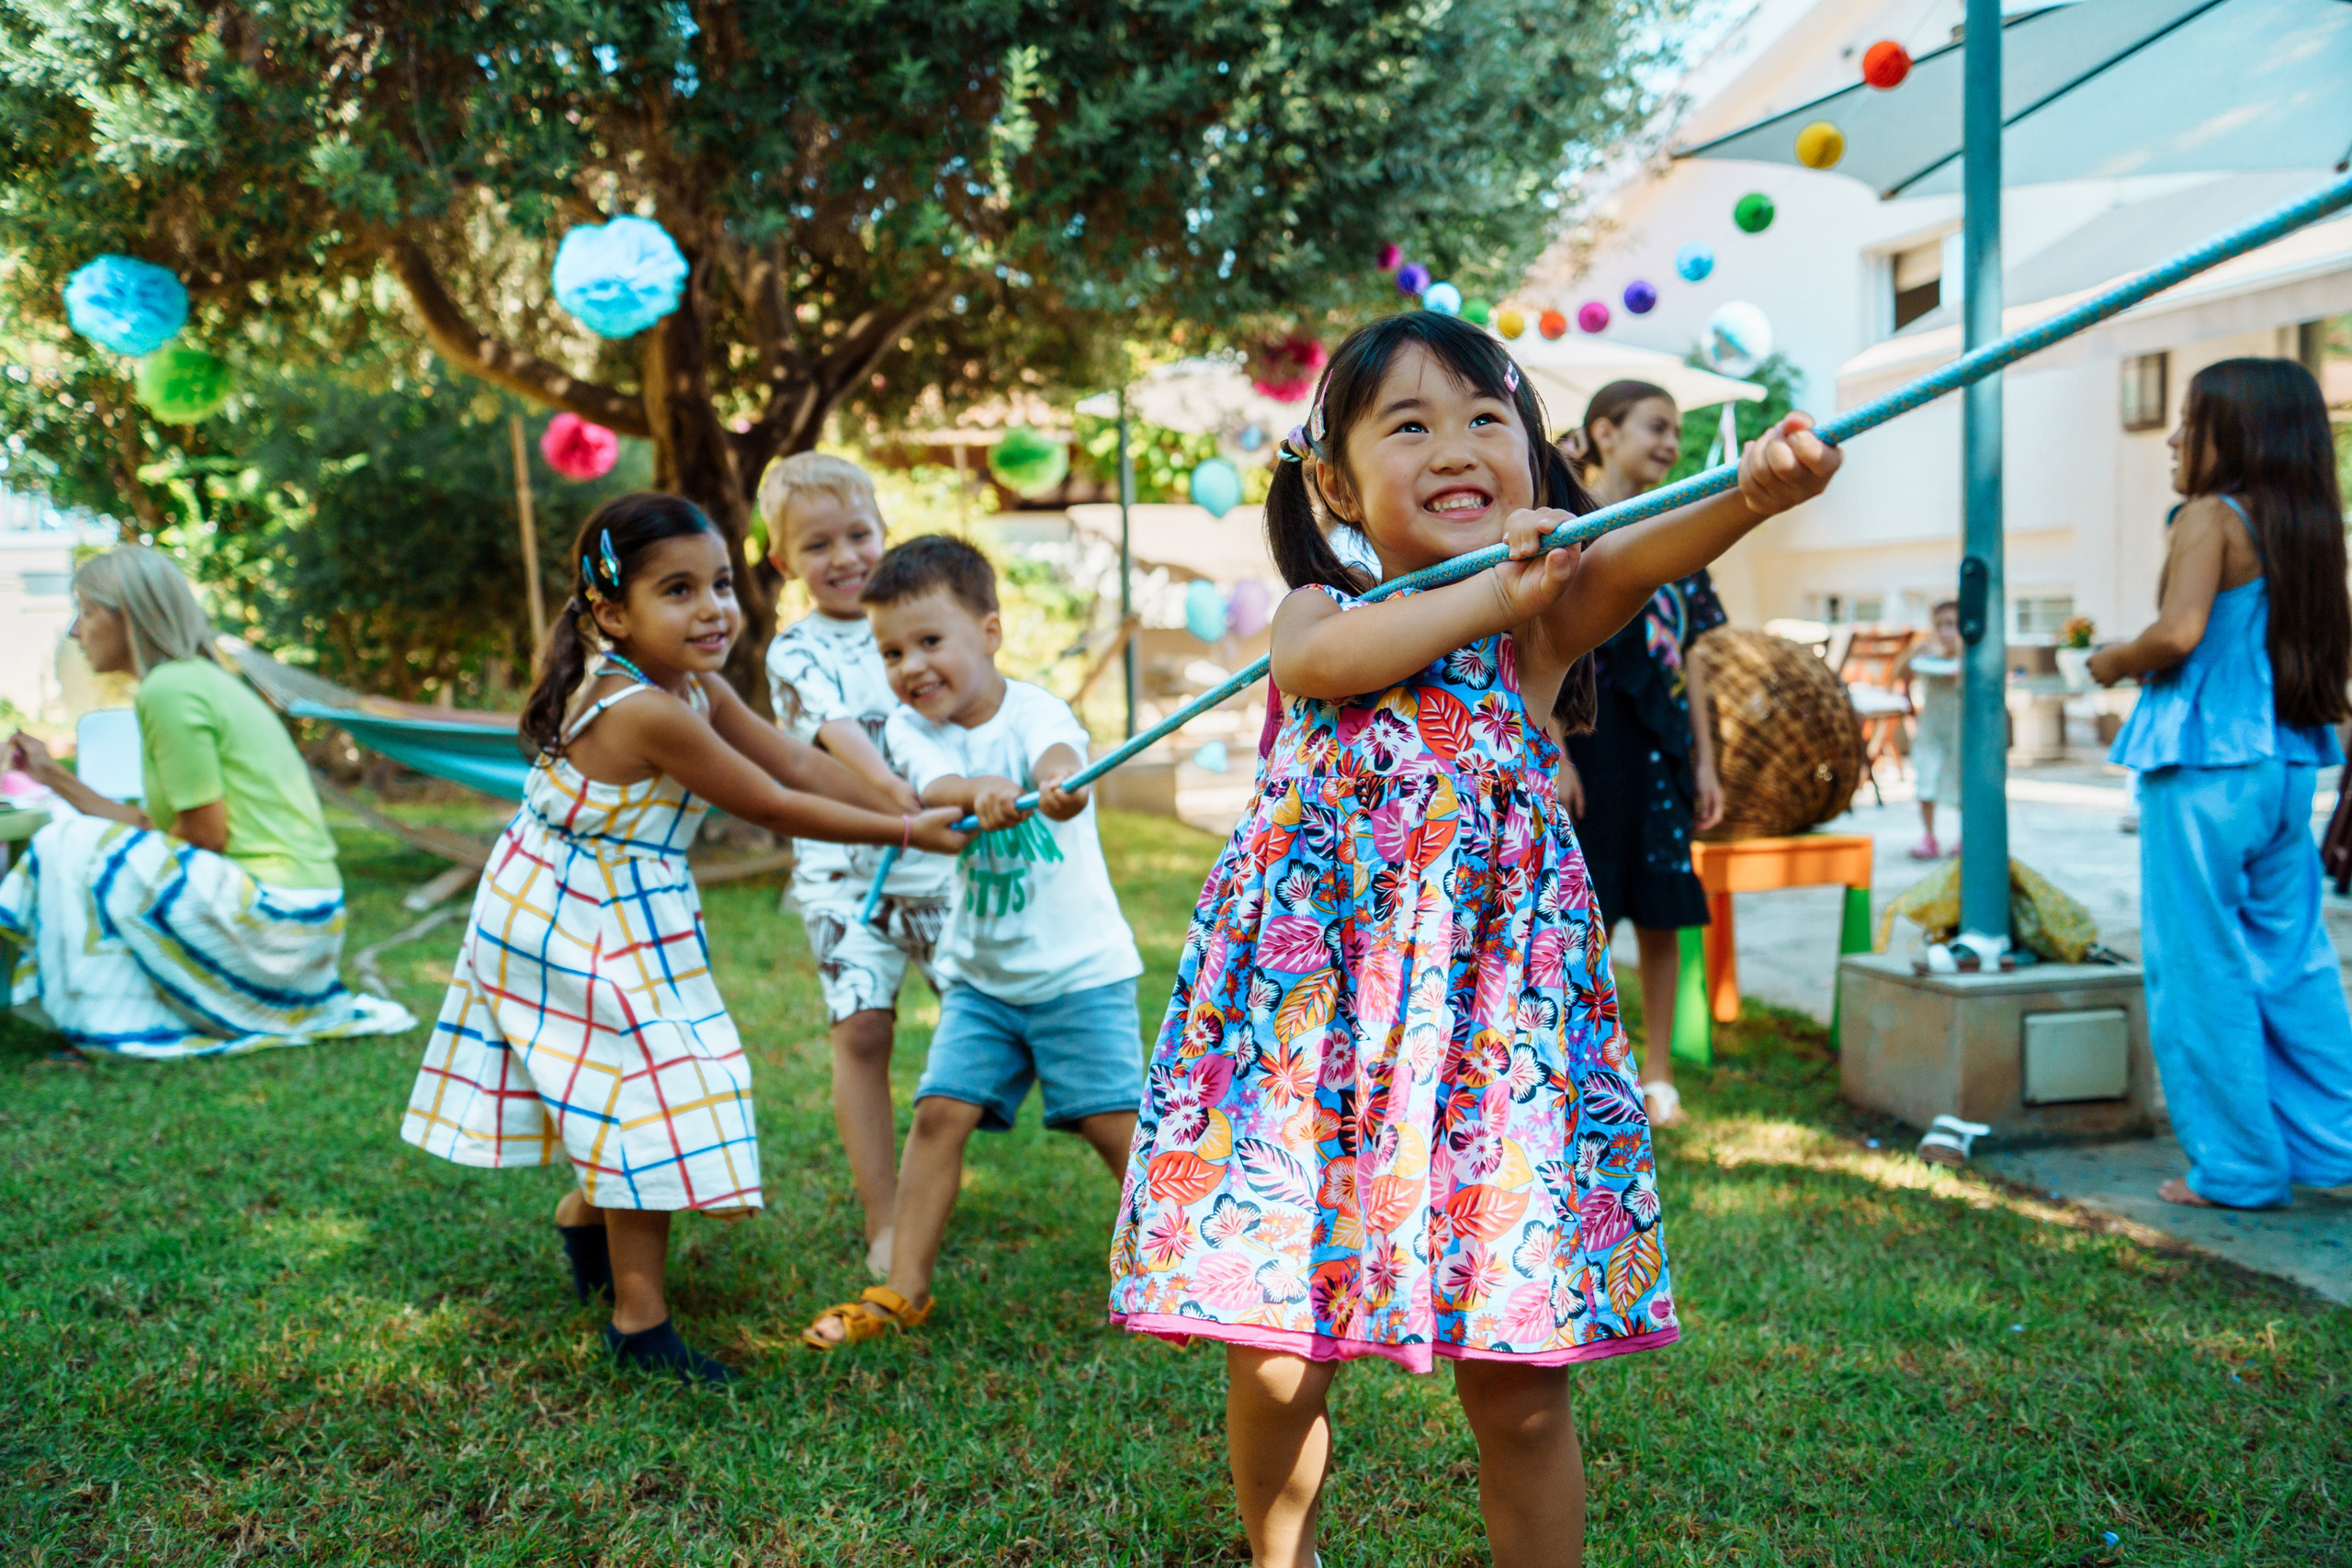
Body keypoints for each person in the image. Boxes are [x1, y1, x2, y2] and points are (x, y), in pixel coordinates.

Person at [1105, 311, 1840, 1568]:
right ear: (1333, 481)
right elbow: (1331, 658)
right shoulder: (1316, 611)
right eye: (1410, 423)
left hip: (1491, 1061)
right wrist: (1497, 586)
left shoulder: (1539, 626)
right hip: (1307, 1048)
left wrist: (1757, 496)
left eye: (1487, 418)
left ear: (1537, 456)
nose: (1456, 445)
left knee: (1522, 1381)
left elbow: (1652, 550)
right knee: (1280, 1359)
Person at [401, 494, 969, 1382]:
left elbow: (789, 758)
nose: (712, 608)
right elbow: (771, 803)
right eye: (679, 590)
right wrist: (905, 834)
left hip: (610, 899)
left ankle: (586, 1221)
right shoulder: (640, 707)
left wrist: (899, 798)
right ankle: (640, 1325)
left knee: (626, 1082)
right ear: (613, 612)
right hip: (568, 912)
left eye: (720, 584)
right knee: (654, 1090)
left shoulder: (691, 685)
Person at [800, 535, 1145, 1348]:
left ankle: (1187, 1265)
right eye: (891, 651)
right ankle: (902, 1288)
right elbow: (934, 785)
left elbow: (1059, 754)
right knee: (938, 1114)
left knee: (1113, 1123)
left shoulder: (1035, 712)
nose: (911, 665)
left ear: (989, 632)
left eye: (929, 641)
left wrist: (1057, 787)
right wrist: (980, 790)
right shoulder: (917, 731)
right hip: (982, 983)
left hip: (1079, 977)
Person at [2089, 357, 2352, 1212]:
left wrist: (2112, 660)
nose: (2171, 439)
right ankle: (2336, 1148)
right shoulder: (2305, 525)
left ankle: (2237, 1167)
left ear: (2236, 436)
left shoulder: (2209, 515)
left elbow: (2178, 633)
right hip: (2283, 767)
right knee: (2294, 961)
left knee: (2196, 964)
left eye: (2189, 423)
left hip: (2204, 769)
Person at [1, 547, 413, 1059]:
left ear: (129, 617)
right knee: (85, 841)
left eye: (85, 611)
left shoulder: (170, 691)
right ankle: (125, 1012)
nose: (73, 631)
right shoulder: (198, 681)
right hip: (309, 920)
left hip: (279, 922)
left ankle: (110, 1026)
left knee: (66, 842)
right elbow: (157, 828)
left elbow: (203, 838)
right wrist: (50, 775)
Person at [761, 452, 955, 1280]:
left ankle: (942, 1165)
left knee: (985, 1023)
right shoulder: (794, 651)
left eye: (857, 534)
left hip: (945, 867)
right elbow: (838, 735)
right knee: (863, 1028)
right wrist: (897, 805)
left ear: (884, 533)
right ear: (783, 562)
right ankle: (885, 1219)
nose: (842, 557)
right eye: (816, 545)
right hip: (845, 875)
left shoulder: (916, 624)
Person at [1553, 381, 1724, 1129]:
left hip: (1662, 747)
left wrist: (1706, 763)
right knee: (1577, 911)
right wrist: (1552, 752)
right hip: (1589, 746)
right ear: (1605, 432)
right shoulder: (1567, 528)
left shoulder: (1681, 536)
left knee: (1661, 907)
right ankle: (1575, 1070)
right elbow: (1536, 650)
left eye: (1678, 432)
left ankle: (1655, 1075)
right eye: (1657, 426)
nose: (1670, 443)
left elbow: (1697, 662)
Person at [1891, 600, 1963, 859]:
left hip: (1960, 730)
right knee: (1926, 778)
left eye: (1953, 625)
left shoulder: (1969, 657)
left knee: (1961, 783)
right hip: (1931, 728)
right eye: (1941, 625)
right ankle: (1929, 835)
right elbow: (1899, 673)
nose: (1946, 632)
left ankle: (1963, 836)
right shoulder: (1926, 655)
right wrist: (1914, 652)